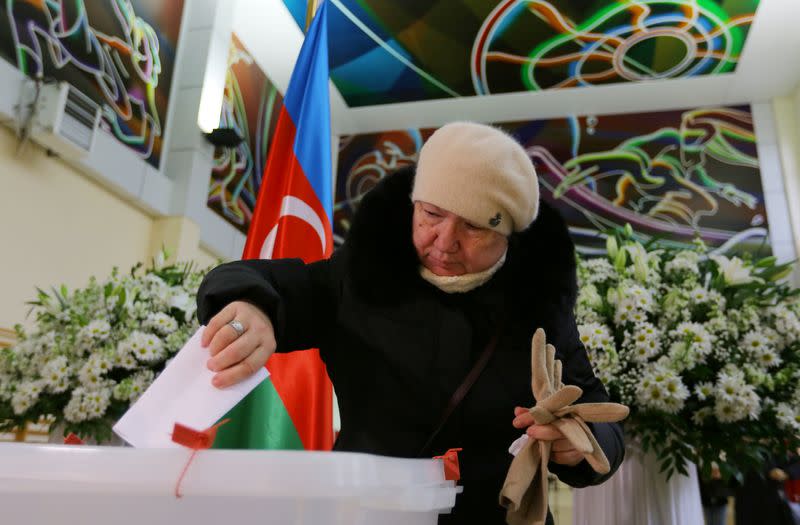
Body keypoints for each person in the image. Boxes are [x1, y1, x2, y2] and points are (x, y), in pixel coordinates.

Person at [196, 121, 625, 524]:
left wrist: (580, 444)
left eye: (473, 226)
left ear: (507, 233)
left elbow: (600, 419)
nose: (444, 241)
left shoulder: (540, 307)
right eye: (432, 214)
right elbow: (259, 279)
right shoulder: (362, 277)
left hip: (493, 512)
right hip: (370, 511)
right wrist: (252, 307)